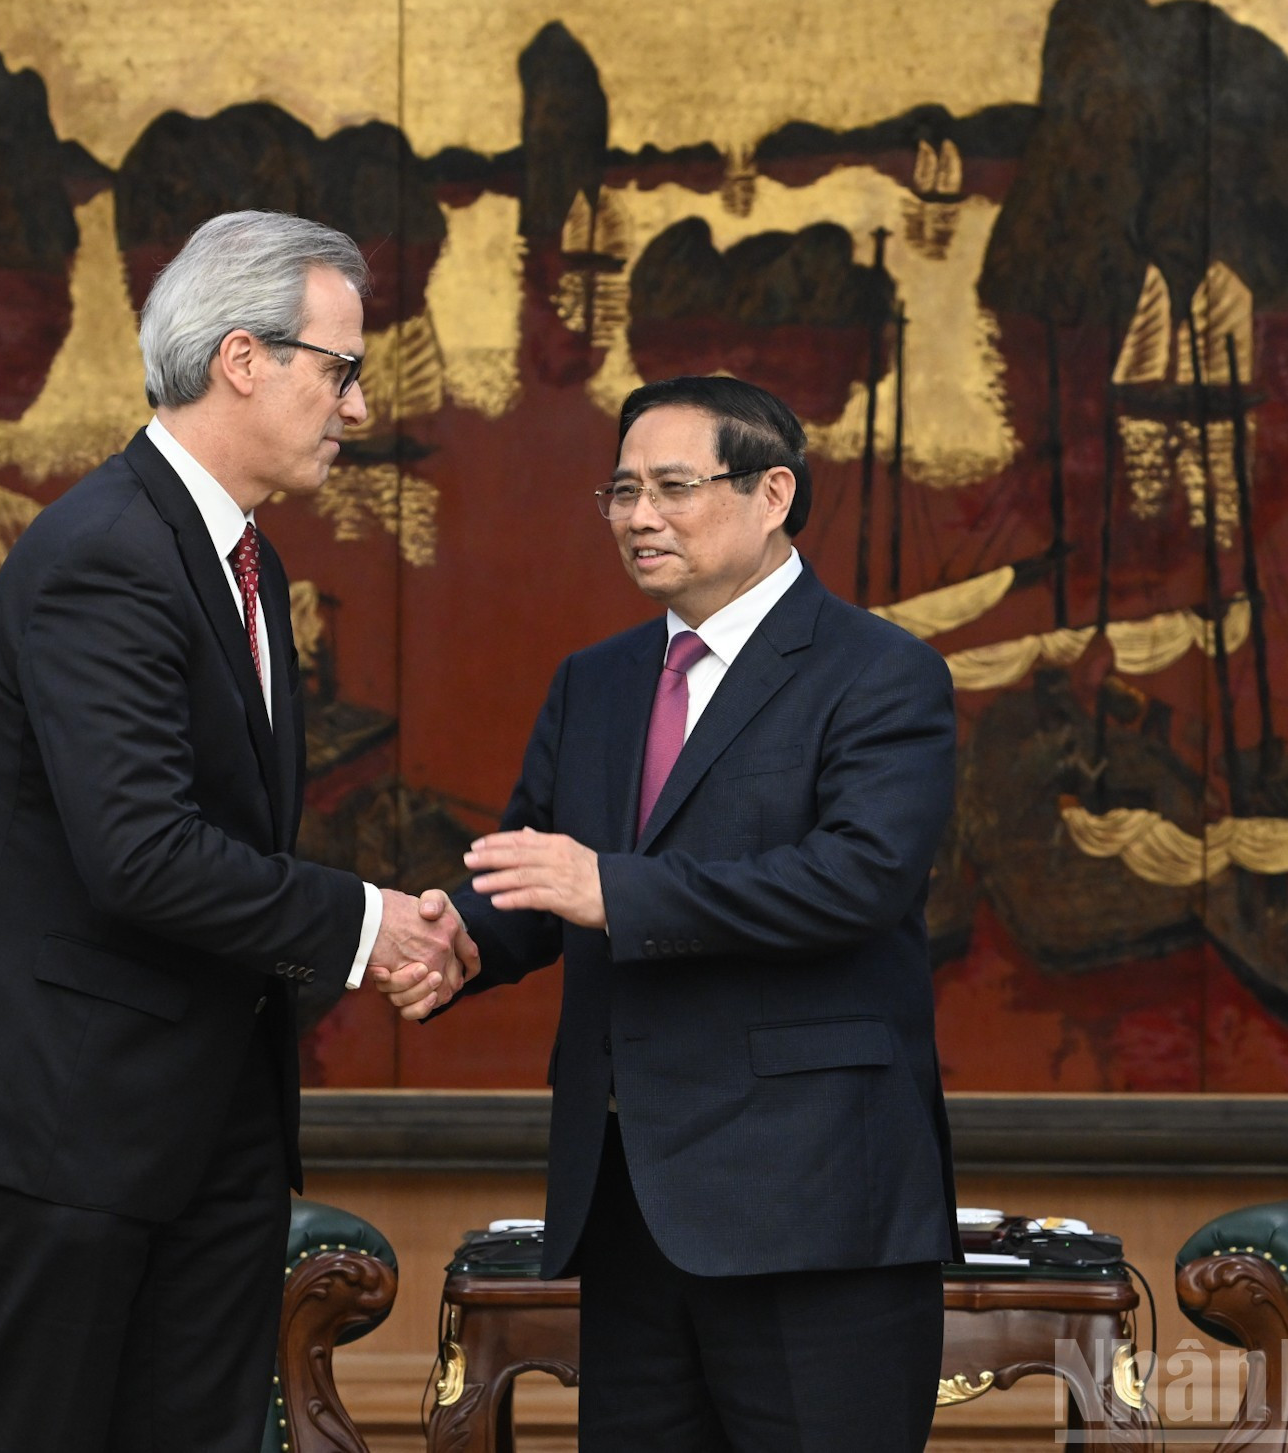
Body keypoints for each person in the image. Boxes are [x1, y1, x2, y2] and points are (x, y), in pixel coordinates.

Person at [0, 210, 475, 1453]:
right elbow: (142, 855)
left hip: (206, 1119)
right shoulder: (105, 554)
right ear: (243, 360)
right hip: (71, 1120)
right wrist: (371, 925)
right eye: (341, 370)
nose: (357, 410)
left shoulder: (231, 559)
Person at [376, 375, 959, 1452]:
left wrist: (614, 889)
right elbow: (538, 878)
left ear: (772, 491)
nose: (638, 517)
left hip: (812, 1208)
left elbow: (858, 880)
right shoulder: (592, 684)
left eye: (673, 488)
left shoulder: (882, 674)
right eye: (621, 491)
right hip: (629, 1205)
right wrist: (459, 940)